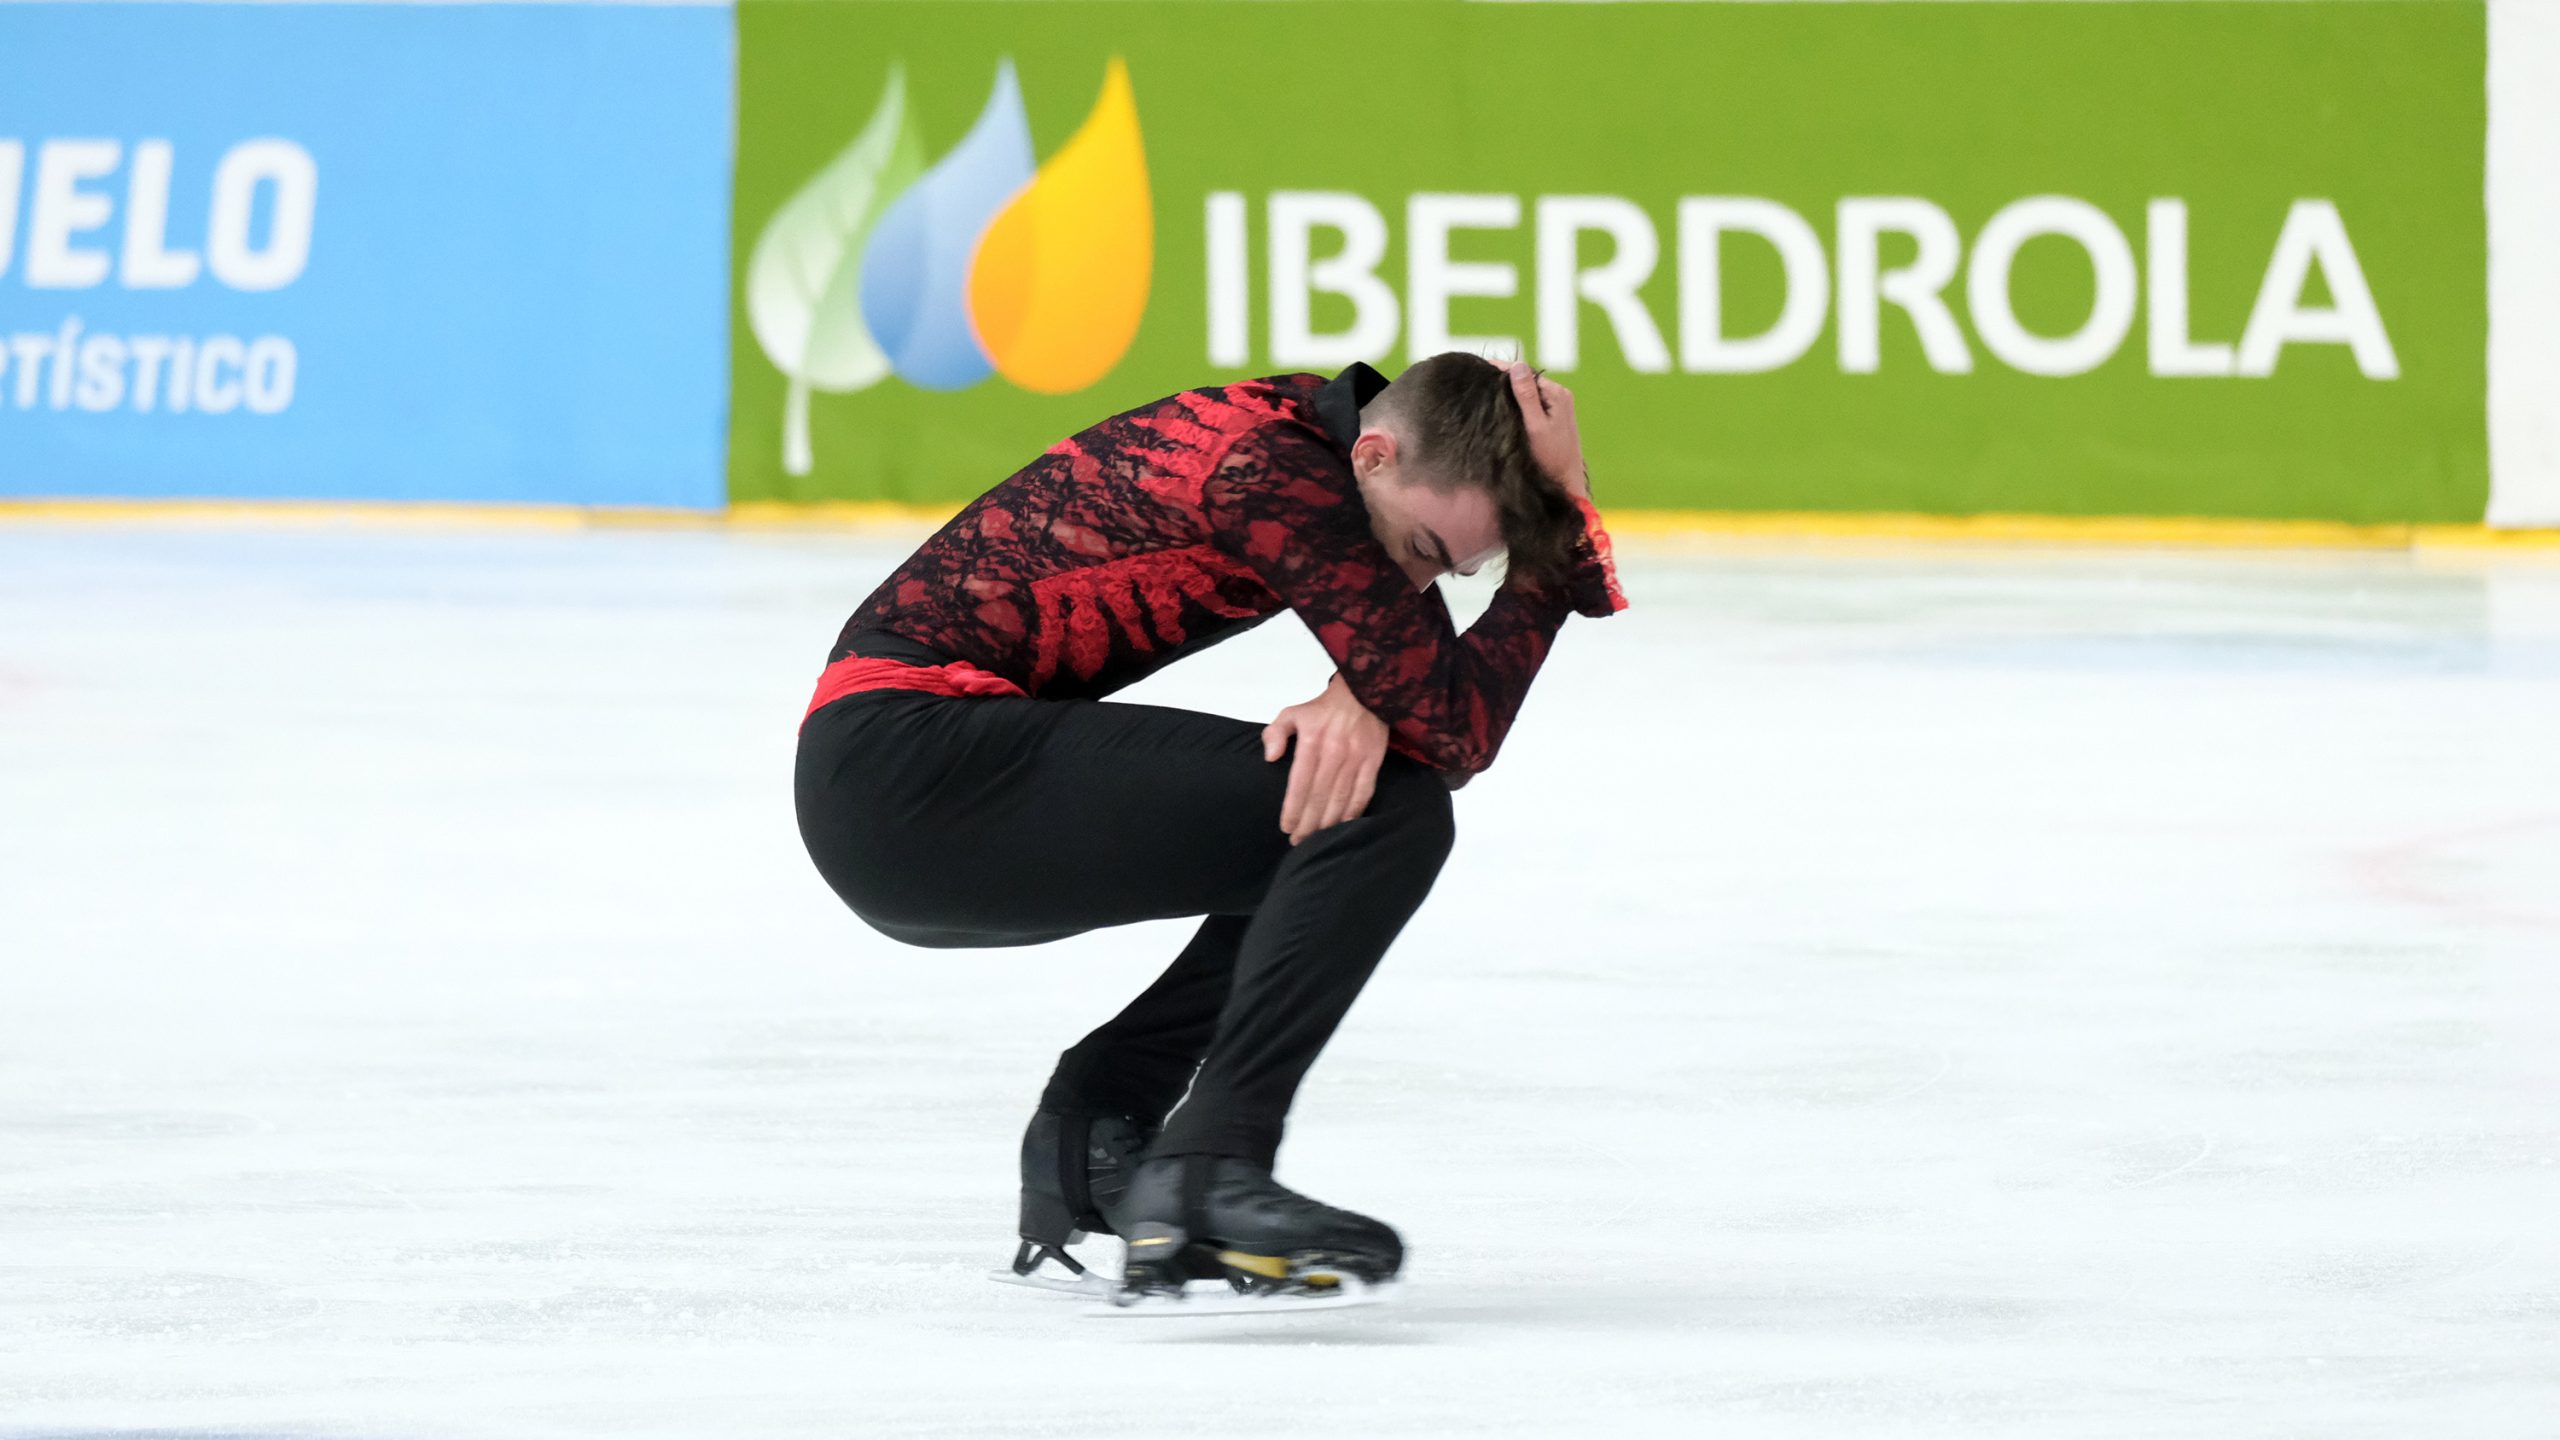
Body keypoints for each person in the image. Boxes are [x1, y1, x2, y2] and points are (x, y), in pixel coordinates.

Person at [792, 353, 1626, 1304]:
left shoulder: (1325, 453)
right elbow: (1454, 728)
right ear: (1375, 458)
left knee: (1333, 811)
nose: (1418, 582)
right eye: (1426, 550)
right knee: (1384, 810)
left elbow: (1425, 696)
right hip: (909, 768)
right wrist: (1560, 520)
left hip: (905, 786)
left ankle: (1097, 1133)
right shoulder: (1265, 463)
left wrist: (1365, 689)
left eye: (1454, 570)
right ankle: (1210, 1163)